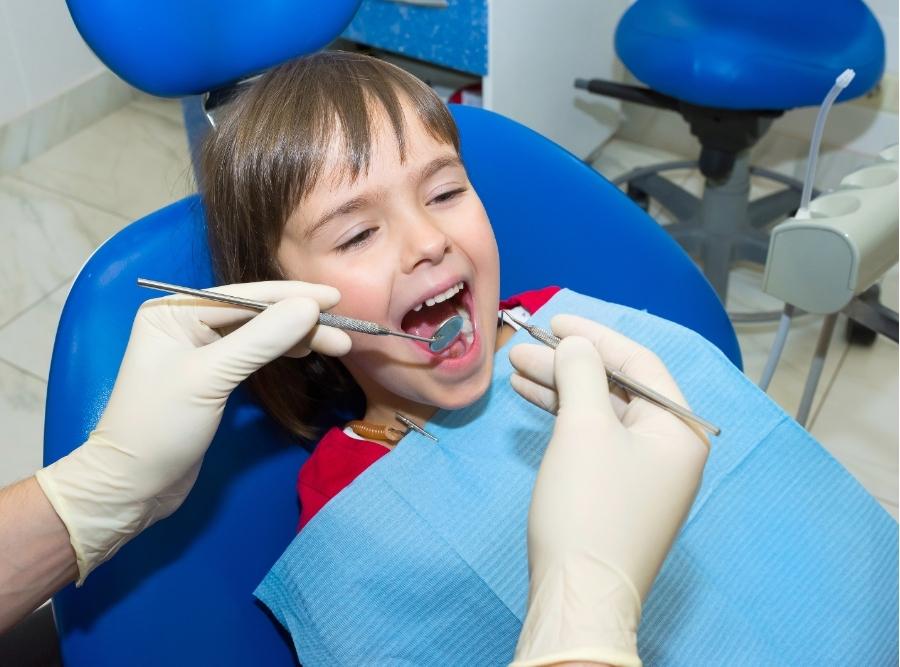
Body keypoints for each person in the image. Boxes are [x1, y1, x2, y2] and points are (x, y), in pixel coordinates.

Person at [0, 288, 707, 667]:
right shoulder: (349, 498)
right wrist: (584, 619)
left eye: (446, 188)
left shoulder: (560, 316)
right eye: (357, 233)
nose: (424, 237)